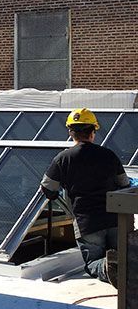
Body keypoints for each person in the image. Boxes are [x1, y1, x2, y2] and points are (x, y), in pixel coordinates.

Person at [40, 108, 130, 285]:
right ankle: (117, 268)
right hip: (114, 219)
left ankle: (105, 267)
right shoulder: (108, 155)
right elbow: (125, 185)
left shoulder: (63, 158)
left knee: (92, 264)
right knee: (123, 257)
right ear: (93, 132)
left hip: (86, 222)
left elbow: (47, 189)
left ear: (70, 132)